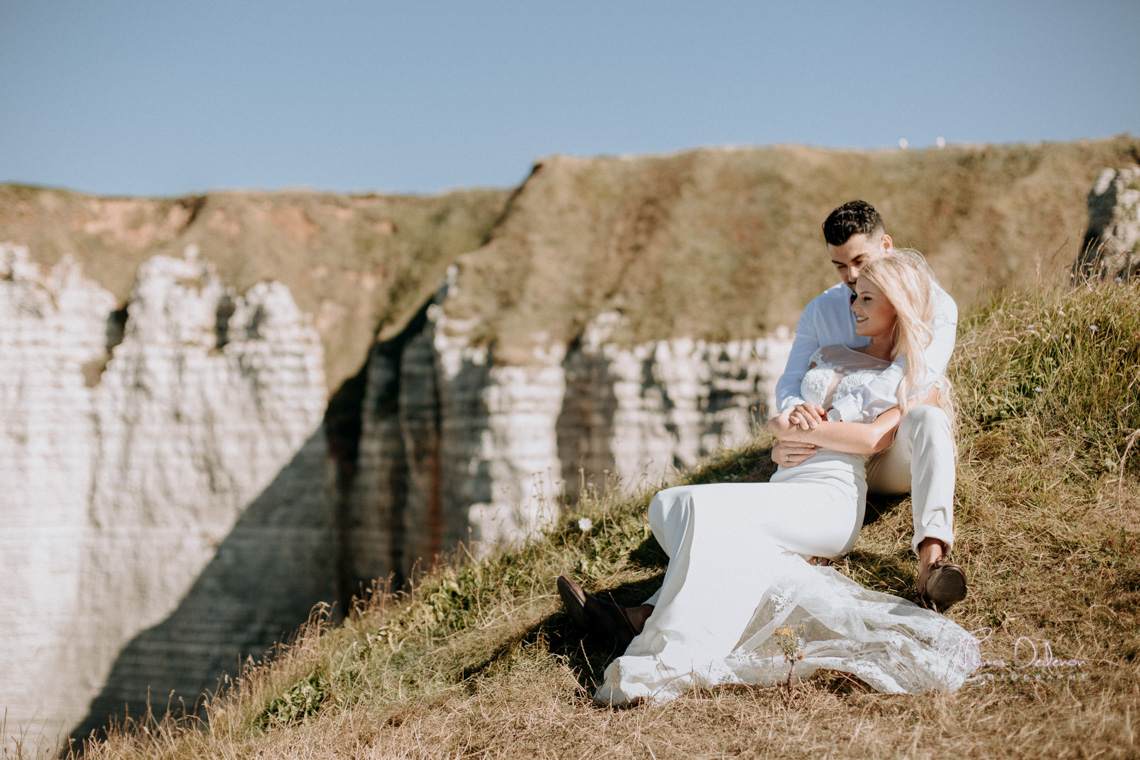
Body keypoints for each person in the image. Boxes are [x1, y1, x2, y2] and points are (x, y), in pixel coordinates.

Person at [558, 249, 977, 705]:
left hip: (830, 499)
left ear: (896, 305)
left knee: (706, 512)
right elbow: (779, 420)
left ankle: (669, 652)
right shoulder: (831, 353)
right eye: (855, 296)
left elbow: (875, 438)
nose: (854, 307)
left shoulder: (910, 376)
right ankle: (644, 616)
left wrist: (814, 431)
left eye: (867, 300)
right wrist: (785, 431)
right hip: (786, 483)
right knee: (668, 503)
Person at [774, 200, 963, 606]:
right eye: (840, 266)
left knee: (929, 418)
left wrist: (829, 424)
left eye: (859, 260)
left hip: (891, 447)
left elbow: (908, 381)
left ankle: (932, 562)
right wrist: (793, 415)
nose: (851, 277)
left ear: (887, 245)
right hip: (833, 454)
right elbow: (790, 381)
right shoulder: (821, 310)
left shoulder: (935, 306)